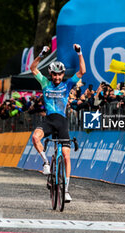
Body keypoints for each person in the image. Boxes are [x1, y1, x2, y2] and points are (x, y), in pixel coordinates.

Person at [30, 44, 86, 202]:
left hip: (62, 122)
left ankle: (66, 190)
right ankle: (46, 162)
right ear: (51, 74)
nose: (57, 78)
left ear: (62, 74)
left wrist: (79, 53)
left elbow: (82, 71)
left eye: (59, 75)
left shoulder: (67, 85)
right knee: (35, 137)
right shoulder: (45, 83)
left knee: (67, 156)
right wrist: (41, 54)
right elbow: (33, 68)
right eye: (54, 75)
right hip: (48, 120)